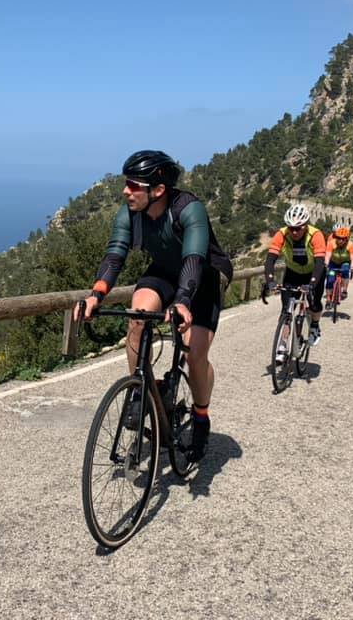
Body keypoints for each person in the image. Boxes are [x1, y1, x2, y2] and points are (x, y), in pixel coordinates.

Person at [73, 150, 233, 462]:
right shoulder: (130, 213)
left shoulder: (189, 209)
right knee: (138, 317)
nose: (125, 191)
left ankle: (201, 416)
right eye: (126, 183)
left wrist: (182, 302)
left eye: (134, 185)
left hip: (203, 275)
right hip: (163, 271)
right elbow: (115, 255)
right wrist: (96, 295)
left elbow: (194, 259)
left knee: (194, 353)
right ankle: (141, 390)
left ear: (158, 190)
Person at [262, 203, 327, 363]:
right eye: (291, 228)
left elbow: (320, 262)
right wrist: (270, 281)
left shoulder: (316, 235)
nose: (294, 232)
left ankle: (314, 326)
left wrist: (312, 284)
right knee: (287, 310)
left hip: (313, 272)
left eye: (298, 228)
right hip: (293, 273)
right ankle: (282, 345)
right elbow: (270, 259)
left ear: (306, 225)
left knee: (315, 304)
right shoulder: (282, 234)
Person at [324, 225, 353, 300]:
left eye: (343, 239)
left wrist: (352, 267)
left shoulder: (350, 245)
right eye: (338, 238)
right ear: (336, 237)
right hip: (333, 262)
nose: (341, 240)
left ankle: (344, 290)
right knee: (330, 279)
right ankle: (328, 299)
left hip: (345, 262)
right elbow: (328, 255)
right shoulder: (331, 243)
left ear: (347, 239)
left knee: (345, 271)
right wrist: (326, 264)